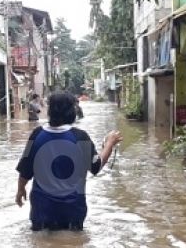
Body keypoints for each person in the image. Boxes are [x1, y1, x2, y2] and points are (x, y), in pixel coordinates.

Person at [15, 92, 122, 231]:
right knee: (72, 246)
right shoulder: (80, 137)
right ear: (72, 112)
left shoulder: (36, 135)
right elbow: (96, 166)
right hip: (72, 210)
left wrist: (20, 190)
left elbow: (25, 169)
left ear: (50, 111)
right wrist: (109, 144)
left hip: (42, 210)